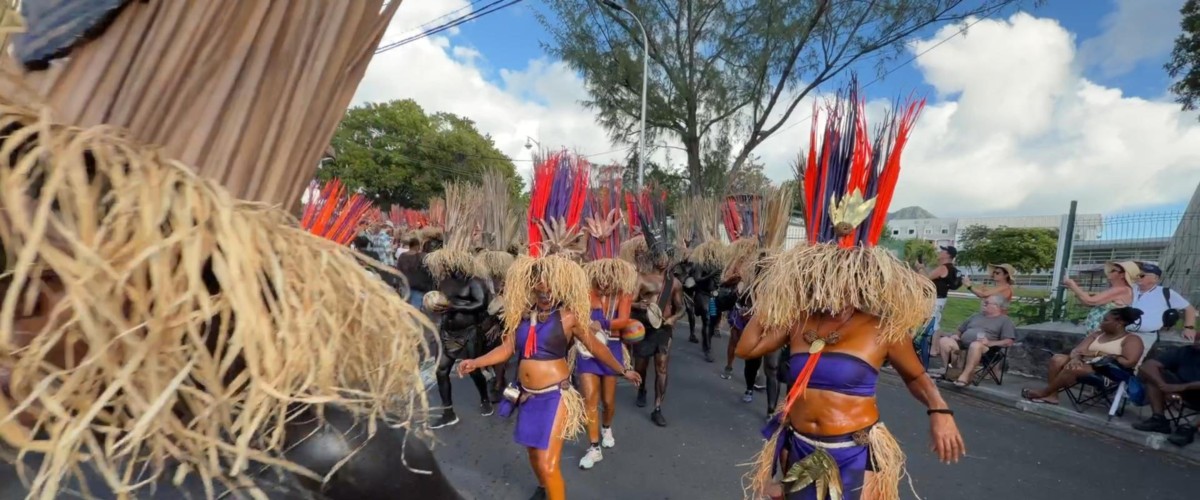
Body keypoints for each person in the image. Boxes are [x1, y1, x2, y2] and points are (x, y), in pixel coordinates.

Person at [737, 85, 964, 500]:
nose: (829, 285)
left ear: (858, 277)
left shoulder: (881, 328)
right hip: (797, 446)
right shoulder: (800, 321)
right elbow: (746, 348)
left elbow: (916, 376)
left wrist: (940, 410)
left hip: (851, 453)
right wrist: (774, 297)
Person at [458, 255, 640, 500]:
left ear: (560, 288)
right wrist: (476, 362)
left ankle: (551, 488)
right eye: (540, 290)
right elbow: (507, 348)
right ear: (532, 288)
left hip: (555, 396)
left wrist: (622, 369)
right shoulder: (521, 316)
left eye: (550, 290)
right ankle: (544, 487)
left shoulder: (569, 317)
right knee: (533, 454)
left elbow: (597, 348)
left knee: (548, 463)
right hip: (526, 396)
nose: (545, 295)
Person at [424, 185, 496, 429]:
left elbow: (481, 304)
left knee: (473, 369)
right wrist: (436, 307)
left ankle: (485, 398)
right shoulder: (444, 281)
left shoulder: (473, 281)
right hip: (449, 333)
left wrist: (454, 305)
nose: (449, 266)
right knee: (441, 371)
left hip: (469, 333)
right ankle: (448, 412)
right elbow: (439, 300)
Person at [575, 202, 640, 469]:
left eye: (607, 276)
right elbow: (576, 316)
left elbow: (624, 321)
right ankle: (593, 448)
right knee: (590, 398)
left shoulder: (623, 292)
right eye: (598, 276)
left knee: (608, 401)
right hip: (586, 351)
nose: (602, 281)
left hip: (612, 347)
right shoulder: (584, 291)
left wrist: (602, 323)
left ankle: (607, 426)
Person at [622, 226, 685, 427]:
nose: (662, 259)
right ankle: (642, 389)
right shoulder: (641, 278)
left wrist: (673, 319)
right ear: (653, 257)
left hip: (663, 330)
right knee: (641, 366)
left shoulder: (674, 283)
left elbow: (681, 308)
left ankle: (657, 408)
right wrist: (638, 305)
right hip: (643, 328)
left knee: (662, 366)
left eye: (665, 255)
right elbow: (628, 303)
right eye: (658, 255)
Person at [1021, 307, 1146, 405]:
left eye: (1105, 320)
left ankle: (1044, 392)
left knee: (1074, 368)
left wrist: (1100, 354)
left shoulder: (1132, 339)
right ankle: (1052, 396)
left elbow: (1129, 362)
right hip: (1086, 364)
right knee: (1057, 359)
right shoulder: (1097, 334)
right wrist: (1076, 358)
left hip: (1109, 372)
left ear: (1120, 322)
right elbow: (1078, 350)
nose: (1101, 323)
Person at [937, 295, 1018, 387]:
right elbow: (960, 330)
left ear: (997, 306)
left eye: (987, 303)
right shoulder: (976, 316)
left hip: (986, 349)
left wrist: (990, 343)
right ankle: (951, 372)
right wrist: (956, 335)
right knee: (944, 341)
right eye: (984, 302)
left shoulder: (1004, 320)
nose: (983, 304)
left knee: (975, 345)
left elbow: (1008, 341)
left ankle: (965, 376)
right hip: (963, 345)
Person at [1132, 338, 1200, 447]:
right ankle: (1158, 419)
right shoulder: (1184, 351)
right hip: (1179, 390)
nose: (1197, 341)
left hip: (1192, 393)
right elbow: (1147, 365)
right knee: (1153, 376)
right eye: (1197, 338)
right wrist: (1163, 385)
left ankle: (1189, 428)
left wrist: (1181, 387)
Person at [1128, 262, 1197, 343]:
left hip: (1147, 336)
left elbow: (1190, 309)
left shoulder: (1165, 293)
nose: (1138, 277)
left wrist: (1189, 328)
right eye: (1136, 274)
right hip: (1123, 332)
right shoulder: (1128, 289)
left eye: (1142, 275)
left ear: (1155, 278)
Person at [1063, 261, 1136, 333]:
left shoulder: (1121, 289)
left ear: (1122, 275)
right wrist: (1074, 289)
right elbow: (1088, 303)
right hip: (1100, 332)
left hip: (1106, 333)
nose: (1109, 272)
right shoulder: (1117, 289)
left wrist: (1073, 285)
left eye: (1113, 270)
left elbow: (1090, 301)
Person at [921, 246, 960, 357]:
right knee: (935, 322)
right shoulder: (951, 268)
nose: (940, 252)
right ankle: (936, 346)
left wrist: (920, 269)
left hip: (935, 299)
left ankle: (933, 349)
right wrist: (923, 268)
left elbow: (926, 279)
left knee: (933, 324)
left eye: (943, 250)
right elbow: (932, 277)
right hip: (941, 298)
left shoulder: (943, 268)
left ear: (948, 255)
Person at [397, 232, 435, 311]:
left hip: (404, 288)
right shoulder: (423, 256)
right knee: (415, 312)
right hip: (418, 289)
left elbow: (398, 271)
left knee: (404, 310)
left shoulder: (402, 256)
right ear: (418, 246)